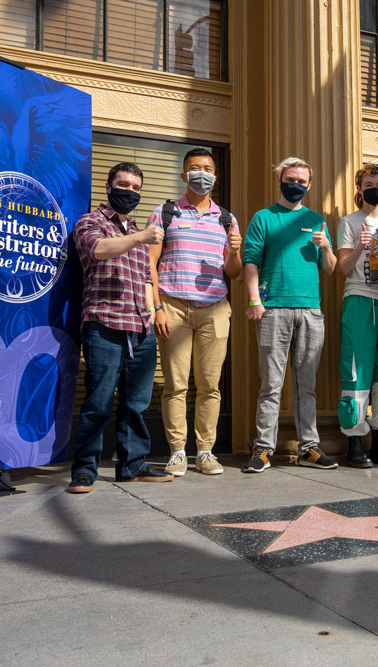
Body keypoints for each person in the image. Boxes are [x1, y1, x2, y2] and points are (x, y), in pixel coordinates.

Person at [67, 162, 173, 493]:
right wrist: (141, 236)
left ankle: (132, 465)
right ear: (109, 185)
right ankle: (84, 470)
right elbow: (97, 250)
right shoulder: (91, 222)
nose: (130, 192)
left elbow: (145, 279)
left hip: (139, 329)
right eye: (124, 185)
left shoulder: (138, 233)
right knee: (98, 402)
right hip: (104, 324)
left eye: (136, 188)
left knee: (136, 404)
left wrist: (152, 313)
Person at [147, 148, 241, 477]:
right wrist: (156, 306)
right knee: (175, 385)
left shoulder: (226, 219)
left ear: (215, 176)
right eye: (195, 168)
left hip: (214, 308)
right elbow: (150, 265)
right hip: (172, 305)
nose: (202, 173)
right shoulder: (165, 213)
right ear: (184, 175)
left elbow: (234, 271)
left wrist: (234, 251)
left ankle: (205, 451)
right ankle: (177, 451)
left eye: (208, 168)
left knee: (210, 385)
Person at [242, 157, 338, 473]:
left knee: (306, 385)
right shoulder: (263, 218)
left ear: (309, 186)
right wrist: (255, 300)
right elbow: (251, 261)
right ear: (280, 180)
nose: (295, 184)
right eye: (290, 178)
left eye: (301, 180)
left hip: (310, 310)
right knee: (271, 384)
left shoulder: (316, 219)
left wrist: (326, 247)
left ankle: (309, 448)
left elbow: (331, 268)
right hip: (273, 310)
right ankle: (263, 450)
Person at [336, 164, 378, 467]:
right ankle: (354, 442)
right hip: (360, 301)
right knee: (356, 371)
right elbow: (344, 268)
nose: (375, 188)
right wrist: (361, 248)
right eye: (369, 183)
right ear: (360, 188)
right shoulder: (349, 222)